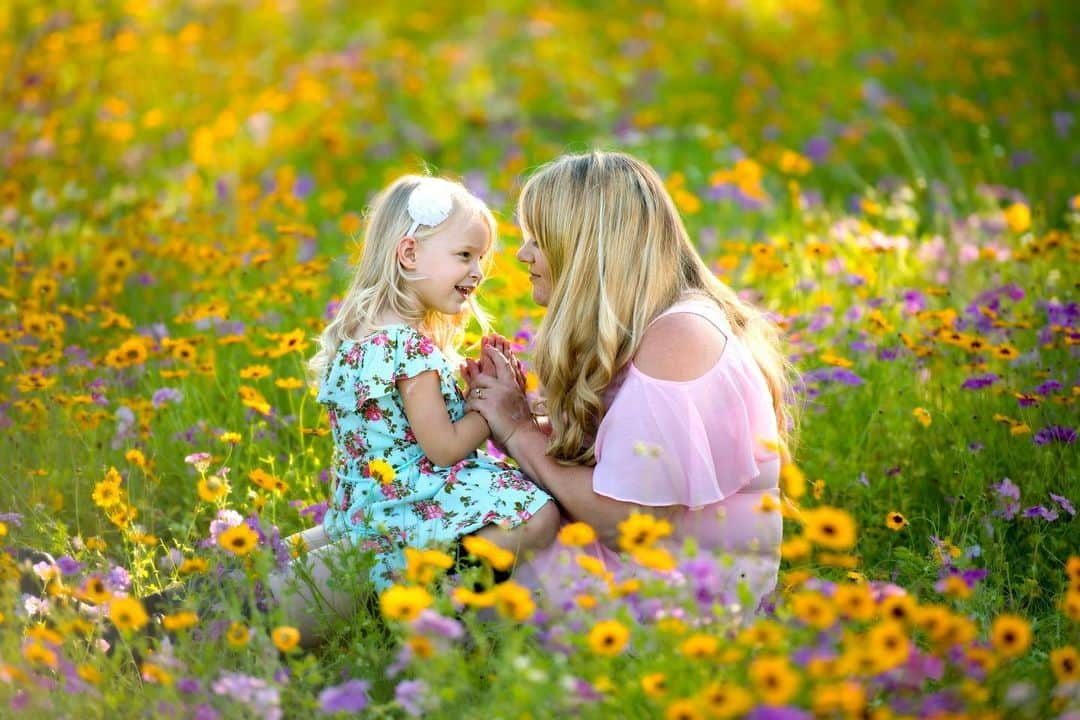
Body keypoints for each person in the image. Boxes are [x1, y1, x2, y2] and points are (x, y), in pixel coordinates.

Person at [463, 151, 793, 613]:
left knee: (436, 554)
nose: (523, 255)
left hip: (673, 601)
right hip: (647, 577)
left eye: (539, 238)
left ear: (587, 246)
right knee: (418, 532)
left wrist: (518, 430)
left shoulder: (680, 337)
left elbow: (629, 523)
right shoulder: (660, 325)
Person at [265, 175, 558, 642]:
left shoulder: (359, 334)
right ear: (408, 254)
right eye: (464, 255)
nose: (478, 272)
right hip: (409, 501)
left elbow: (396, 428)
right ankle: (430, 591)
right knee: (536, 516)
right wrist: (490, 407)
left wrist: (467, 392)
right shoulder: (409, 348)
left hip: (364, 500)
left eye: (480, 258)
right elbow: (443, 449)